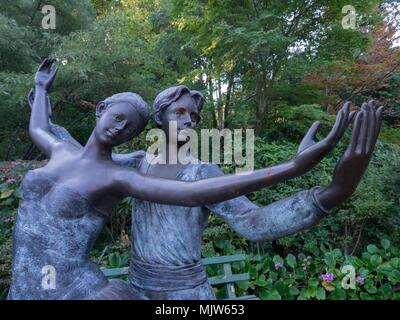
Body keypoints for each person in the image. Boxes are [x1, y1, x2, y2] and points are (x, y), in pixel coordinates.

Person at [10, 59, 349, 300]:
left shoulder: (183, 173)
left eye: (195, 116)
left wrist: (321, 188)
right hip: (132, 287)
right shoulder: (134, 164)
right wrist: (41, 90)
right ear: (159, 120)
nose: (189, 122)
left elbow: (244, 217)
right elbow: (42, 130)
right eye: (180, 113)